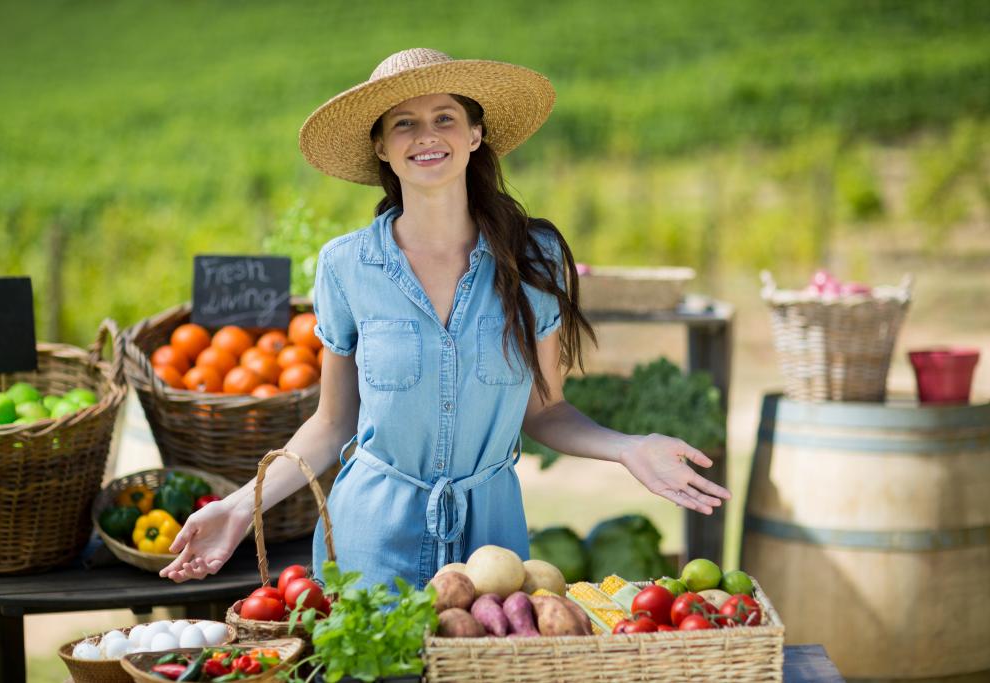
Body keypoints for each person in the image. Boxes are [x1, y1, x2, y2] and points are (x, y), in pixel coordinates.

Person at [160, 48, 731, 589]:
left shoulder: (532, 258)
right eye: (404, 123)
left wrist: (627, 447)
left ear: (475, 134)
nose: (426, 136)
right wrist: (238, 509)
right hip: (369, 539)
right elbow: (333, 424)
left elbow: (546, 410)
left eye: (444, 117)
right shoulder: (345, 265)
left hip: (492, 544)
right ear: (381, 145)